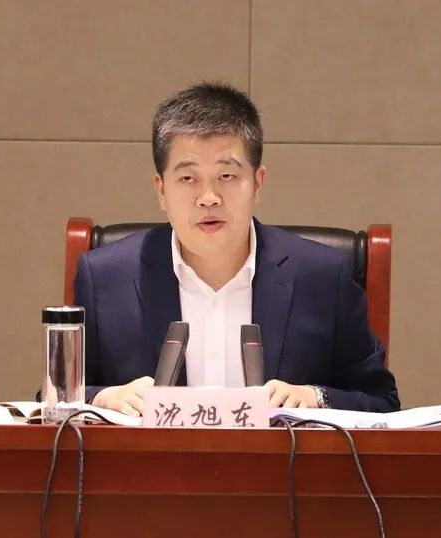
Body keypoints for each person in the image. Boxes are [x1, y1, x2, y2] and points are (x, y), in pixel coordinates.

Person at [74, 82, 399, 416]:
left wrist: (315, 397)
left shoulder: (323, 278)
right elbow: (56, 401)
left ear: (257, 183)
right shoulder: (104, 278)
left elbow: (382, 401)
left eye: (227, 176)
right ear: (161, 190)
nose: (208, 198)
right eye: (188, 179)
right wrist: (102, 398)